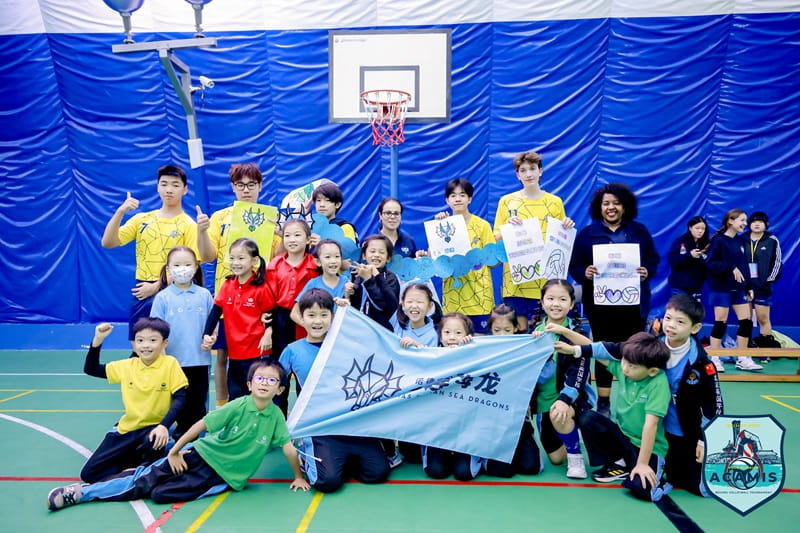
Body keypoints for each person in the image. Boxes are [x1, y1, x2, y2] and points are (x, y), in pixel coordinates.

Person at [47, 360, 309, 511]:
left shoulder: (276, 417)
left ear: (280, 390)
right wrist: (174, 451)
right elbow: (199, 426)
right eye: (260, 378)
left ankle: (142, 469)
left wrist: (298, 477)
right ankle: (84, 493)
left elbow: (287, 448)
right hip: (199, 456)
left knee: (160, 495)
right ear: (250, 384)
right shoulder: (237, 406)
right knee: (144, 484)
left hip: (223, 477)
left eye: (272, 380)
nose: (265, 383)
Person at [573, 294, 723, 496]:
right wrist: (573, 348)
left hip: (682, 432)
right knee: (643, 485)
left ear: (695, 328)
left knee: (694, 485)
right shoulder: (651, 347)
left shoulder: (702, 365)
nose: (671, 325)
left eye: (680, 322)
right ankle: (626, 462)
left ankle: (661, 467)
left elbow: (714, 405)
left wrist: (705, 440)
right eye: (668, 318)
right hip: (650, 427)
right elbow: (612, 349)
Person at [279, 289, 390, 493]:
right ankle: (311, 454)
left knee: (377, 474)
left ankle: (340, 459)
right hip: (318, 427)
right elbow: (276, 386)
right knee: (327, 482)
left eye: (324, 314)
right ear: (301, 317)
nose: (317, 321)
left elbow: (374, 341)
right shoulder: (292, 350)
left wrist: (348, 313)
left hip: (351, 424)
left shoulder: (346, 345)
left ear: (332, 316)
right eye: (311, 315)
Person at [568, 182, 659, 417]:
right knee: (603, 352)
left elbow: (653, 261)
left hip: (633, 305)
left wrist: (646, 271)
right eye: (606, 203)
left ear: (625, 206)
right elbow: (574, 266)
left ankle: (633, 397)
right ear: (599, 207)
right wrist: (584, 273)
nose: (611, 207)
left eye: (616, 203)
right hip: (600, 308)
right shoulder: (587, 234)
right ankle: (605, 403)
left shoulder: (639, 231)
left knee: (633, 351)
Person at [196, 163, 281, 407]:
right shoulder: (220, 217)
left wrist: (283, 233)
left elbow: (277, 257)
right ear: (233, 187)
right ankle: (224, 407)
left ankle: (258, 405)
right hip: (229, 299)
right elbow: (208, 255)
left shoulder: (270, 218)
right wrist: (202, 232)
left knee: (259, 360)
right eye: (240, 185)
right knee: (223, 357)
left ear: (260, 186)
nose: (246, 190)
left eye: (251, 185)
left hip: (257, 301)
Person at [559, 332, 671, 501]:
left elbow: (651, 426)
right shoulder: (625, 370)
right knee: (587, 418)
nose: (625, 368)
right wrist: (564, 332)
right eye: (624, 360)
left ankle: (663, 480)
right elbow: (592, 348)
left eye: (632, 366)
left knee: (642, 490)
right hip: (623, 438)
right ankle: (620, 462)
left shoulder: (658, 383)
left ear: (653, 371)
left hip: (648, 447)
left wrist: (642, 464)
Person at [78, 320, 188, 484]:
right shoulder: (127, 366)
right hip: (127, 429)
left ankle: (145, 466)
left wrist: (164, 425)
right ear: (134, 344)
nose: (145, 345)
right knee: (89, 475)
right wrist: (98, 340)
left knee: (156, 442)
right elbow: (91, 369)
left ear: (164, 343)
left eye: (153, 340)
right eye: (140, 340)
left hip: (154, 429)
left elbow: (180, 397)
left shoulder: (170, 364)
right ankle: (136, 469)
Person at [101, 164, 198, 341]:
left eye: (175, 185)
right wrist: (120, 212)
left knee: (170, 344)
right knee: (139, 345)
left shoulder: (189, 225)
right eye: (164, 184)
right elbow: (108, 242)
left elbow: (193, 264)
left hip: (174, 289)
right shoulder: (141, 219)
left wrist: (156, 287)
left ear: (185, 190)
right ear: (157, 186)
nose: (169, 189)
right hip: (142, 289)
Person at [493, 151, 574, 332]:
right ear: (518, 175)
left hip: (546, 281)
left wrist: (567, 226)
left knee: (545, 333)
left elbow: (560, 239)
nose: (528, 174)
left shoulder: (555, 202)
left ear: (540, 171)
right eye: (523, 170)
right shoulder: (506, 202)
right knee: (519, 334)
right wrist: (508, 229)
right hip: (516, 281)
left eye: (532, 169)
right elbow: (495, 237)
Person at [528, 280, 594, 479]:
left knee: (559, 412)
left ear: (572, 304)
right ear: (542, 302)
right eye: (550, 298)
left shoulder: (578, 333)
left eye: (562, 299)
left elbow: (579, 372)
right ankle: (571, 434)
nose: (556, 304)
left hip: (573, 398)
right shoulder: (533, 333)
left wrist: (565, 399)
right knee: (556, 459)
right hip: (543, 402)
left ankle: (576, 457)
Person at [150, 246, 214, 438]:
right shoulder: (163, 297)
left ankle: (194, 443)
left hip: (199, 361)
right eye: (177, 265)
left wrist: (211, 339)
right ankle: (177, 438)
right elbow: (155, 331)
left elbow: (212, 326)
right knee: (177, 403)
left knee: (197, 404)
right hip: (172, 363)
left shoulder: (204, 295)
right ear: (168, 269)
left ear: (195, 267)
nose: (182, 268)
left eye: (187, 264)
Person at [202, 238, 274, 401]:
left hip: (256, 352)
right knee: (235, 393)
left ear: (254, 260)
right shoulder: (228, 284)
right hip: (234, 352)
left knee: (255, 394)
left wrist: (268, 332)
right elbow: (216, 310)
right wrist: (206, 333)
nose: (235, 262)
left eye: (241, 258)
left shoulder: (261, 287)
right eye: (232, 258)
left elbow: (271, 313)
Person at [483, 304, 544, 479]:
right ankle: (486, 454)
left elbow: (544, 374)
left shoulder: (525, 349)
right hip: (492, 423)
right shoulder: (482, 350)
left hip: (519, 421)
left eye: (507, 330)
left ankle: (524, 441)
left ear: (517, 328)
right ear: (490, 329)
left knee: (531, 468)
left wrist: (539, 344)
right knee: (502, 471)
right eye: (497, 330)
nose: (502, 335)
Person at [421, 313, 483, 481]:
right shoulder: (430, 358)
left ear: (467, 336)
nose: (452, 338)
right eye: (447, 332)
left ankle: (477, 454)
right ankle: (438, 451)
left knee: (464, 474)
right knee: (436, 472)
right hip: (438, 430)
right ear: (440, 336)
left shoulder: (477, 359)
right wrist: (410, 347)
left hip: (467, 429)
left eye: (458, 333)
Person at [435, 178, 495, 334]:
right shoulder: (441, 226)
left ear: (470, 199)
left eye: (462, 195)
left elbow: (493, 262)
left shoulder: (483, 226)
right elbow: (437, 261)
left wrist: (476, 258)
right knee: (453, 344)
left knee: (480, 344)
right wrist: (437, 228)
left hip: (480, 298)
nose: (458, 199)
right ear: (447, 200)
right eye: (453, 195)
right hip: (453, 298)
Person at [705, 209, 761, 372]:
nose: (745, 223)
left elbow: (745, 266)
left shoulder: (741, 241)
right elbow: (710, 264)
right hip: (721, 288)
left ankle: (742, 357)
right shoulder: (719, 241)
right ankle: (714, 357)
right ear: (730, 221)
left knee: (746, 322)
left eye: (745, 220)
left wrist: (749, 285)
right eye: (742, 220)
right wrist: (730, 267)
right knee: (720, 322)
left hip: (739, 289)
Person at [289, 239, 352, 326]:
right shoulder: (313, 284)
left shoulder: (348, 283)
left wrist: (348, 296)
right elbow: (294, 314)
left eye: (337, 256)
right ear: (318, 262)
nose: (333, 261)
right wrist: (311, 327)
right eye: (327, 257)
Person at [745, 211, 783, 351]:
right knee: (746, 319)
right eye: (754, 221)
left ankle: (765, 349)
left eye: (760, 221)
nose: (756, 224)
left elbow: (777, 263)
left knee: (763, 318)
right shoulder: (742, 239)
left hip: (763, 287)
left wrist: (766, 281)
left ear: (766, 225)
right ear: (749, 224)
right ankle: (746, 349)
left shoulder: (772, 240)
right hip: (744, 287)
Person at [347, 234, 400, 332]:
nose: (376, 255)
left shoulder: (391, 278)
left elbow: (385, 306)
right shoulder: (357, 275)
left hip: (381, 331)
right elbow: (354, 306)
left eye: (381, 252)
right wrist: (348, 294)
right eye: (372, 251)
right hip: (359, 329)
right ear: (364, 255)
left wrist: (371, 279)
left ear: (388, 258)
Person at [667, 216, 709, 300]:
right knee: (680, 312)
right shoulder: (680, 241)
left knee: (693, 313)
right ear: (690, 228)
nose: (700, 231)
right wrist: (690, 255)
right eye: (697, 228)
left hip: (696, 288)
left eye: (703, 229)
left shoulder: (705, 244)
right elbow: (672, 260)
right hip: (680, 287)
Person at [394, 283, 442, 349]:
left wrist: (417, 346)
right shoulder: (395, 322)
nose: (414, 306)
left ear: (430, 306)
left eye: (419, 302)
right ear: (403, 304)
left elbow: (431, 357)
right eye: (410, 301)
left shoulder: (434, 335)